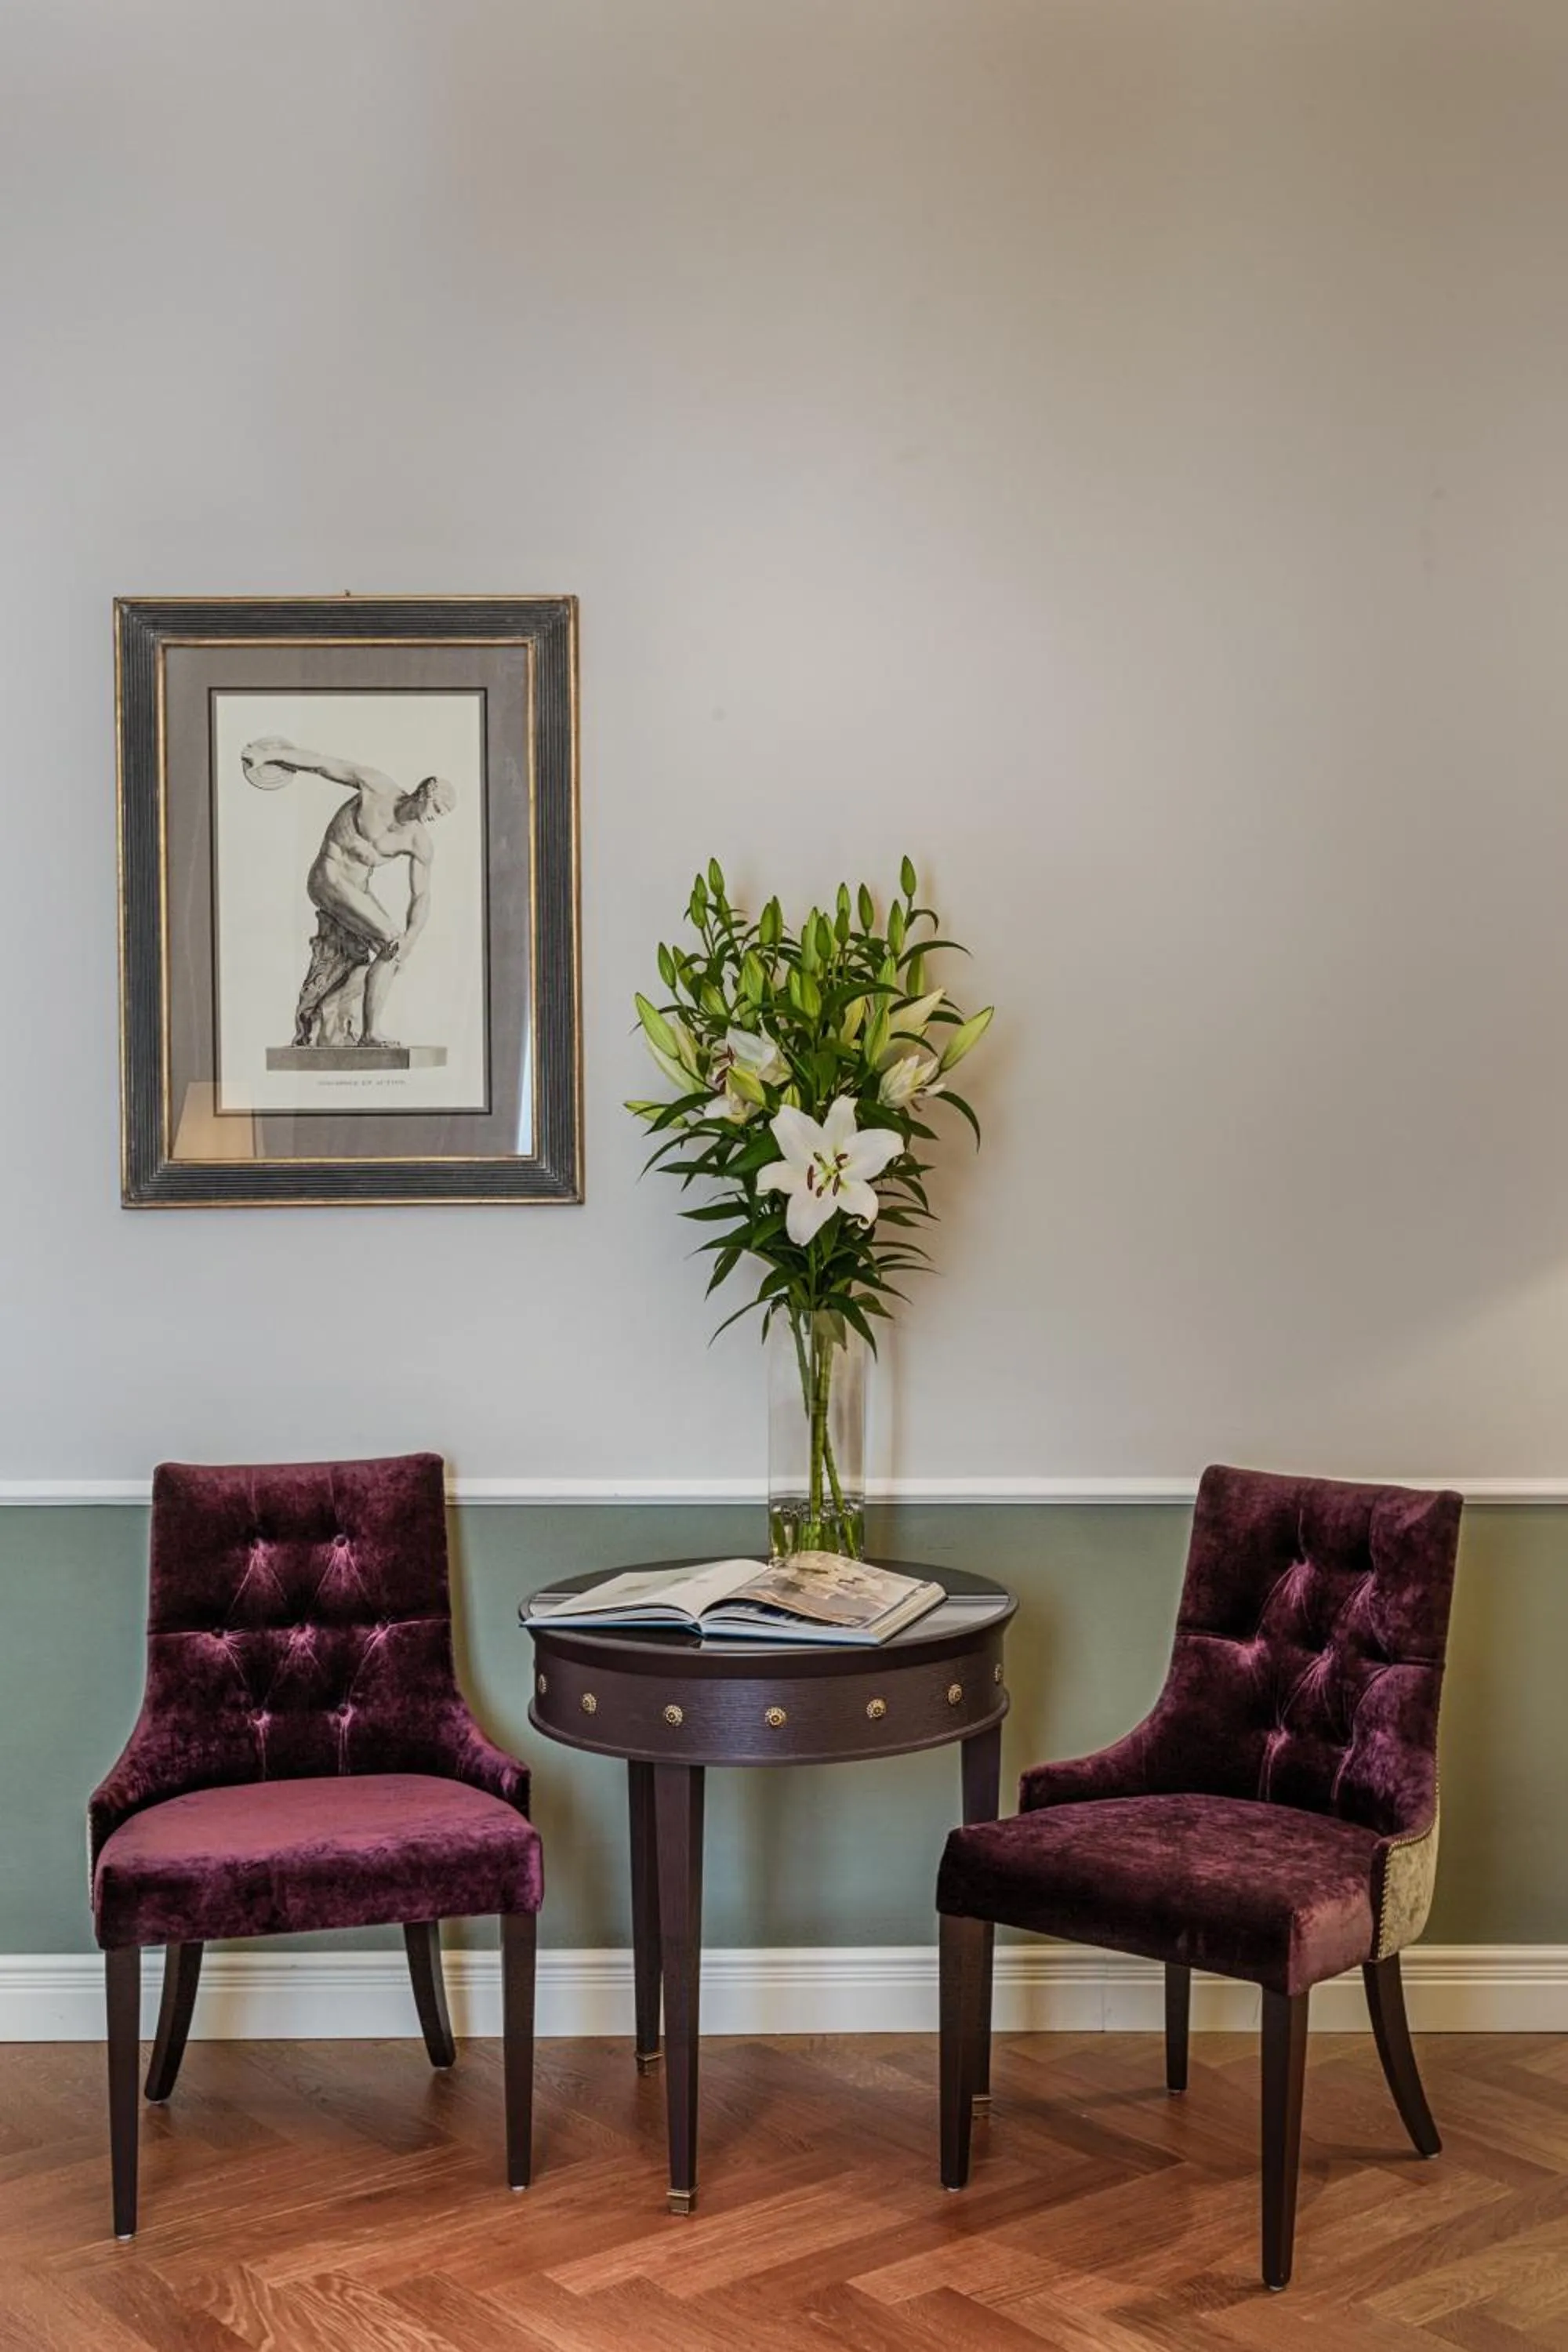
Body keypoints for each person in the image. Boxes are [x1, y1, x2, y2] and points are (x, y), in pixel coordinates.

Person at [241, 735, 456, 1049]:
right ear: (425, 791)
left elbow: (421, 895)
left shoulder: (419, 842)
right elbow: (324, 764)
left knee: (395, 954)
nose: (435, 816)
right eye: (436, 807)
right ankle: (370, 1033)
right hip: (327, 877)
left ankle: (331, 1009)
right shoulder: (378, 786)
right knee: (389, 940)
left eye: (442, 814)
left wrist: (411, 937)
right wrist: (272, 754)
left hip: (356, 890)